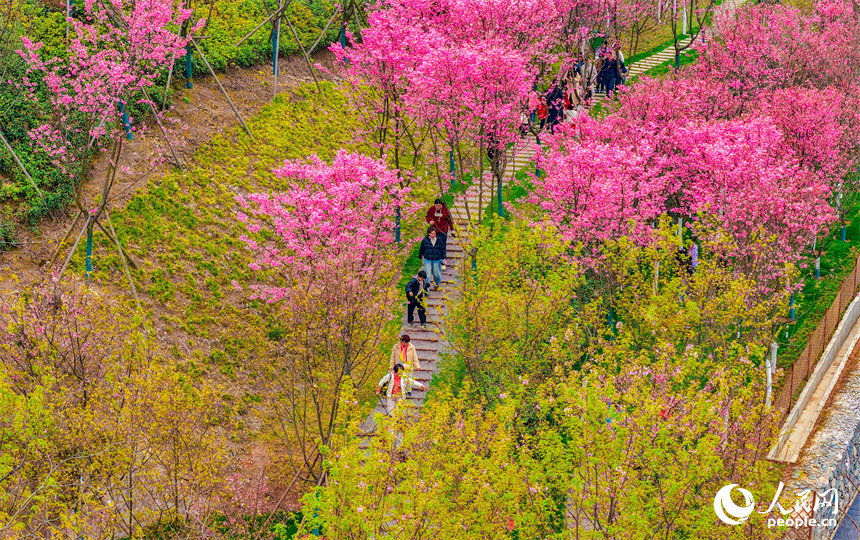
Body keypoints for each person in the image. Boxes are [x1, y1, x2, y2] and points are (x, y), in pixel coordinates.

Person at [425, 198, 455, 269]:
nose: (437, 207)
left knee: (442, 246)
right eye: (436, 206)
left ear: (441, 205)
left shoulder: (445, 211)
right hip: (434, 230)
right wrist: (429, 221)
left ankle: (443, 261)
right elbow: (427, 216)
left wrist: (452, 230)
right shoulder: (432, 209)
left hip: (443, 231)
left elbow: (450, 221)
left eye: (439, 206)